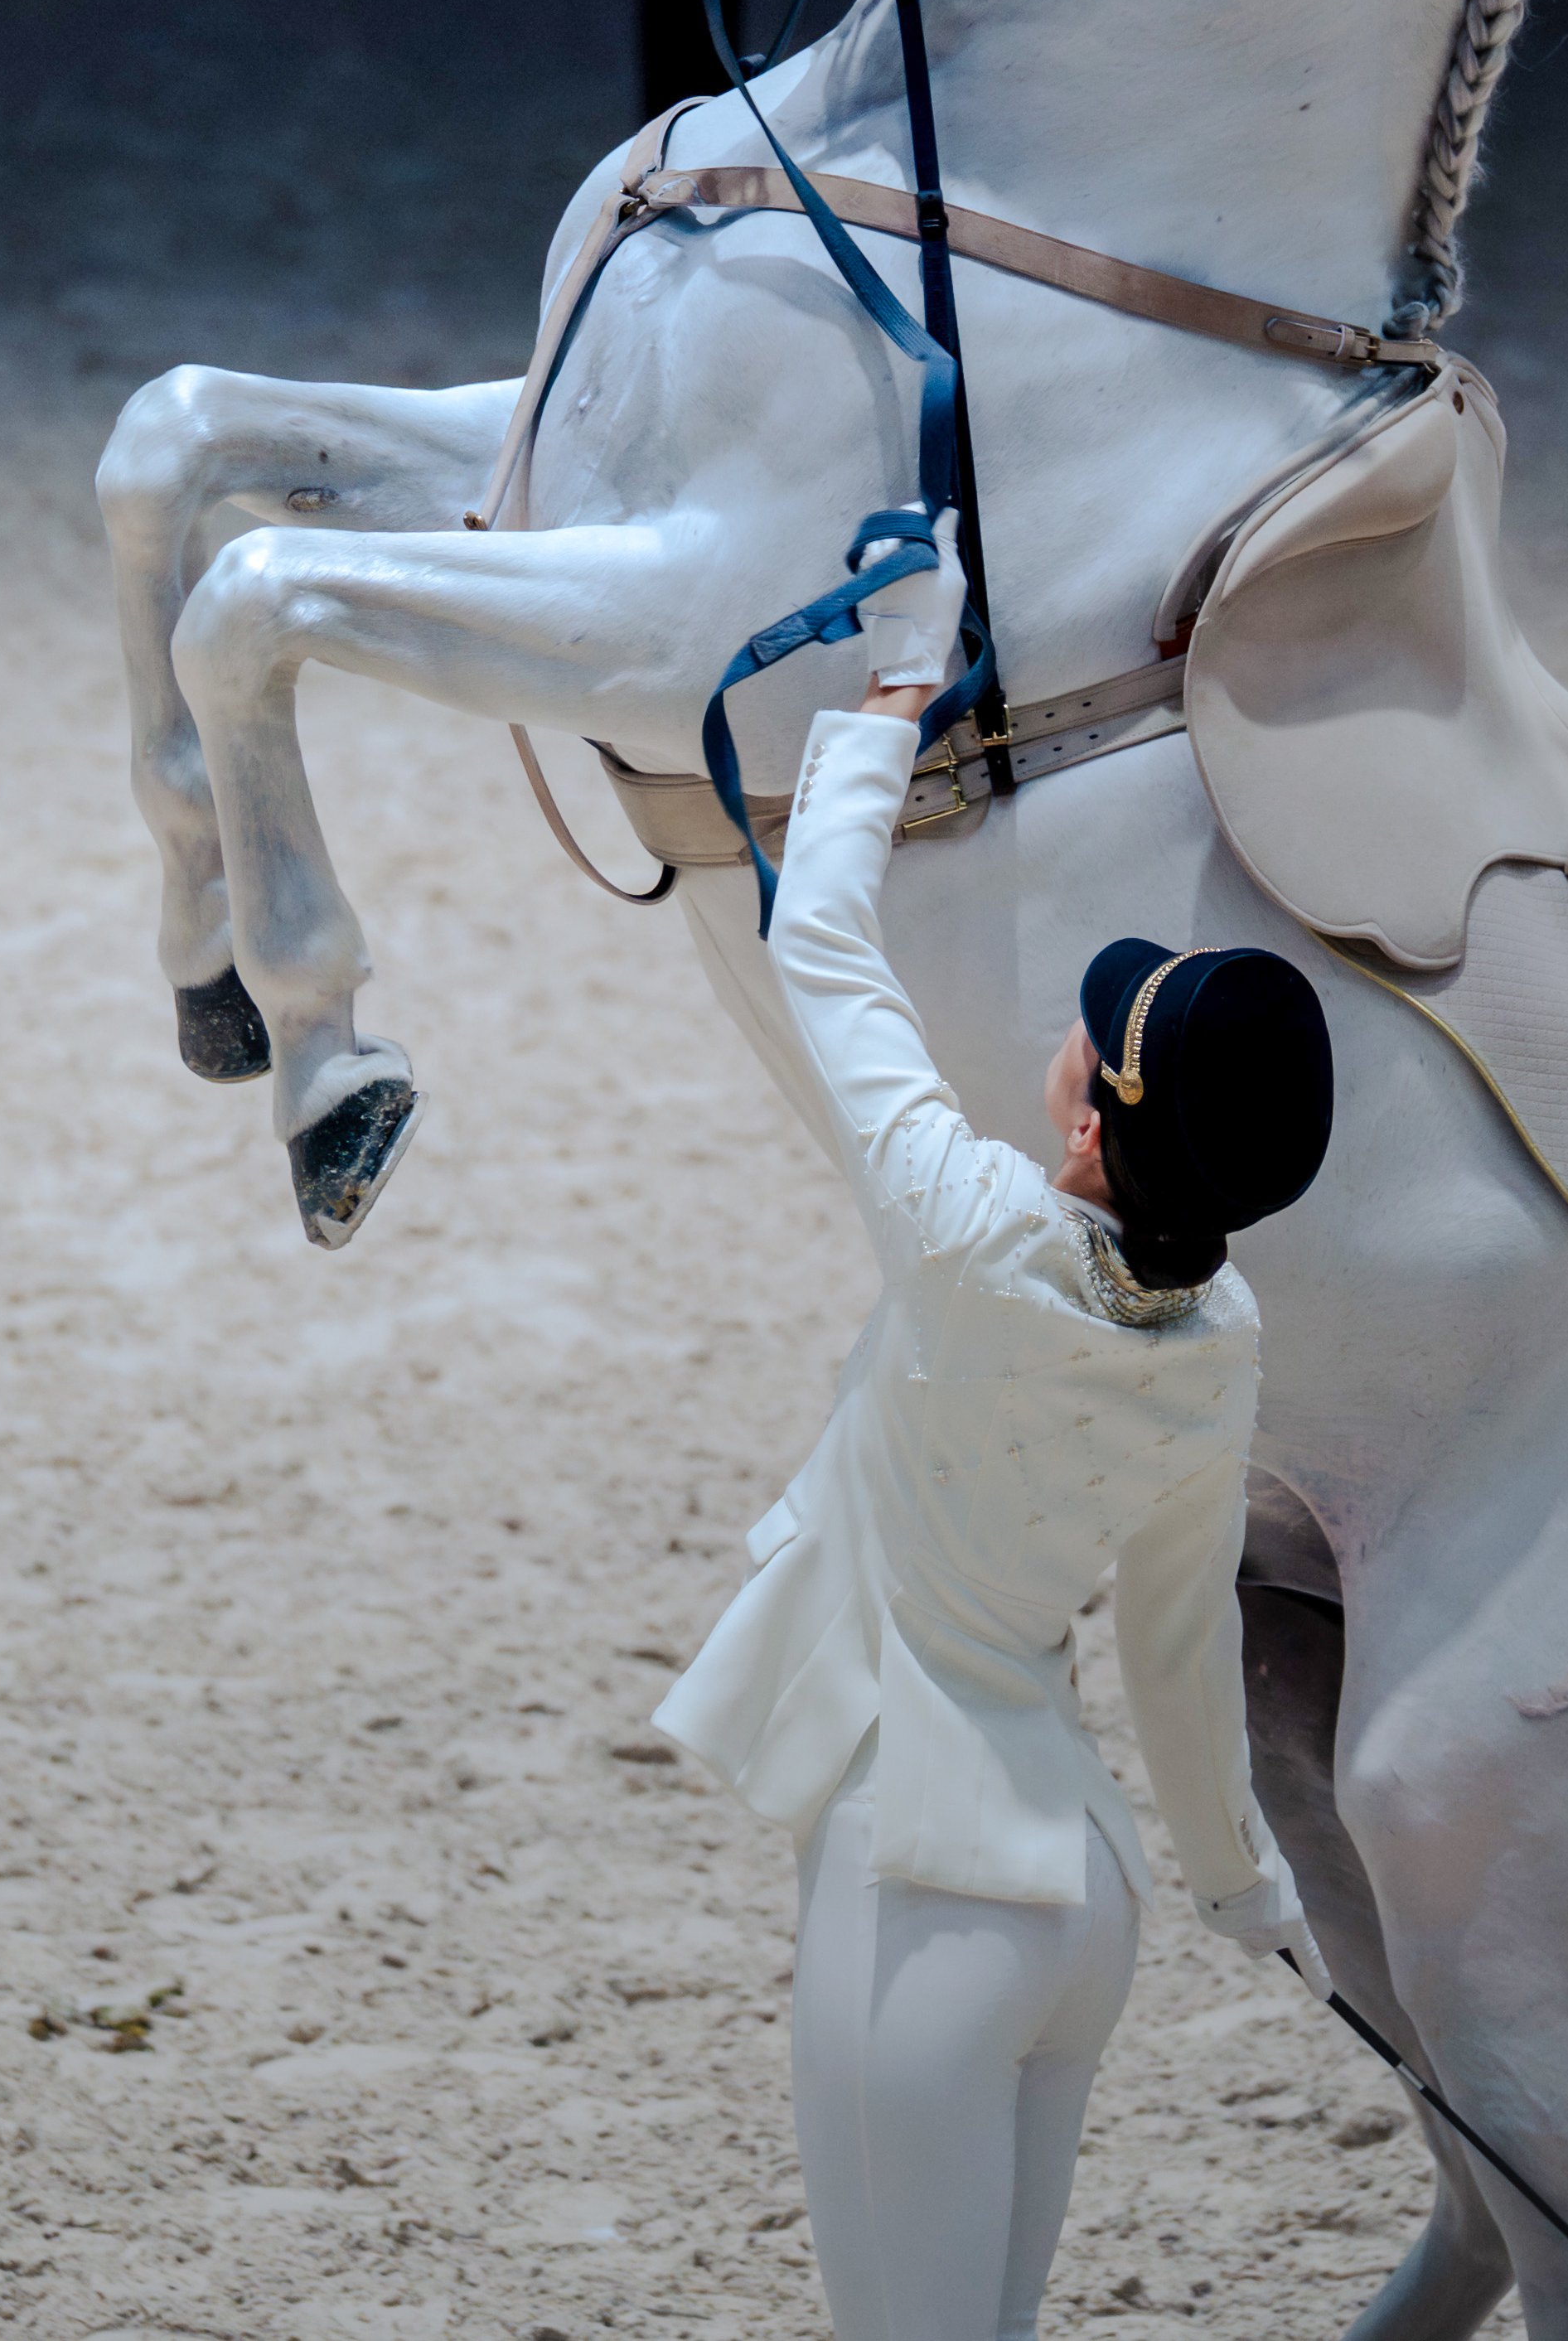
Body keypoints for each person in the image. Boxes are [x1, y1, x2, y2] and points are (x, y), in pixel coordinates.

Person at [650, 515, 1342, 2341]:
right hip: (1085, 1904)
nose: (1070, 1026)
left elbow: (823, 942)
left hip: (925, 1891)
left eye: (1092, 1036)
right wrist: (1239, 1883)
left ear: (1093, 1133)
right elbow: (1182, 1662)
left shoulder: (968, 1234)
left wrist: (895, 688)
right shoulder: (1220, 1337)